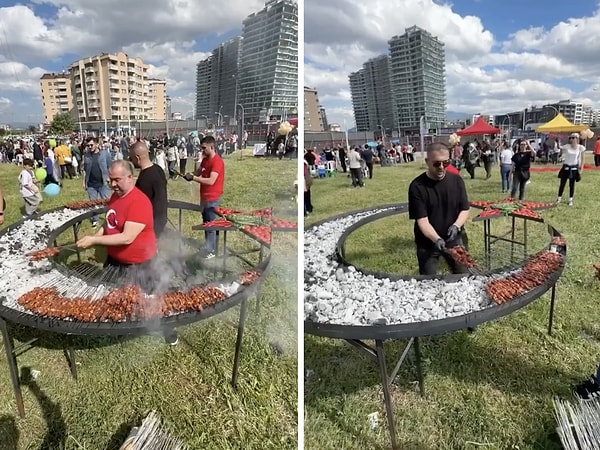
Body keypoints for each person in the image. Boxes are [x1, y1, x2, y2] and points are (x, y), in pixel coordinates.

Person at [76, 160, 156, 266]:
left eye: (117, 180)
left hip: (136, 265)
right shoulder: (115, 196)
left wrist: (94, 240)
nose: (113, 184)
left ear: (130, 177)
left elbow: (127, 238)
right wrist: (95, 237)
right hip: (114, 259)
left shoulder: (139, 202)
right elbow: (109, 222)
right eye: (111, 180)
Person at [408, 142, 470, 276]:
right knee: (429, 281)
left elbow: (465, 209)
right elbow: (422, 220)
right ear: (427, 162)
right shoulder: (417, 186)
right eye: (436, 164)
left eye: (445, 163)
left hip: (454, 240)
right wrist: (436, 239)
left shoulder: (457, 181)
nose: (441, 167)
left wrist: (456, 226)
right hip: (427, 242)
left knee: (463, 276)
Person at [183, 135, 225, 259]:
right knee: (206, 223)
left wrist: (194, 178)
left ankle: (211, 250)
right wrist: (192, 172)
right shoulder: (206, 160)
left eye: (204, 148)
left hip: (213, 198)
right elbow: (198, 172)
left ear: (211, 147)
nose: (202, 150)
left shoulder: (217, 162)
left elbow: (211, 181)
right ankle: (209, 246)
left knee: (211, 225)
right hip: (205, 197)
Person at [130, 141, 168, 238]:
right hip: (162, 217)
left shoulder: (145, 178)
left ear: (137, 157)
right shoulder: (158, 169)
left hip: (152, 221)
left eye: (132, 157)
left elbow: (139, 204)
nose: (131, 160)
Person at [82, 137, 111, 228]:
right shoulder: (86, 155)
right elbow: (84, 170)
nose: (90, 147)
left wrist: (109, 177)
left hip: (103, 183)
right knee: (93, 203)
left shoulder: (104, 154)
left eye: (91, 145)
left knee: (106, 202)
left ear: (96, 144)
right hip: (91, 184)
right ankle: (95, 220)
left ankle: (109, 219)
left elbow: (110, 166)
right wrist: (84, 182)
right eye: (88, 145)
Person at [557, 133, 586, 206]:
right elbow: (559, 147)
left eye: (573, 138)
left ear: (577, 139)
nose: (571, 139)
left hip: (574, 168)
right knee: (562, 183)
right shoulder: (567, 146)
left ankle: (570, 200)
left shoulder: (580, 147)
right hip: (566, 167)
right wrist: (558, 140)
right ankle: (559, 198)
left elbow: (582, 159)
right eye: (570, 138)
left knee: (572, 184)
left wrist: (581, 169)